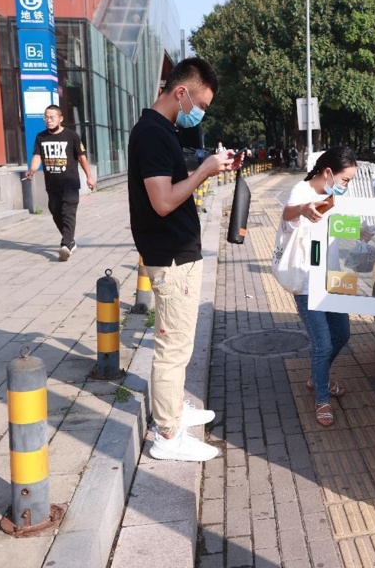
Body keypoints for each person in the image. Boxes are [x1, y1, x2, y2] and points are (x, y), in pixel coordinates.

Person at [128, 57, 243, 462]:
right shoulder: (153, 134)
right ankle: (167, 435)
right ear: (181, 93)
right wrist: (205, 171)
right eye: (201, 105)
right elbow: (161, 201)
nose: (200, 113)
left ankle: (173, 409)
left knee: (180, 344)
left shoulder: (163, 130)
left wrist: (207, 166)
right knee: (173, 349)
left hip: (177, 253)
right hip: (171, 257)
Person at [279, 146, 358, 427]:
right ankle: (322, 397)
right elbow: (288, 215)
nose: (347, 185)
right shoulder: (302, 193)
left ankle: (318, 375)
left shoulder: (332, 196)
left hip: (331, 280)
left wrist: (362, 231)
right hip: (306, 284)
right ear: (328, 173)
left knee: (342, 334)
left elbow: (338, 228)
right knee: (322, 343)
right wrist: (303, 209)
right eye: (345, 179)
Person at [25, 105, 96, 262]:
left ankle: (65, 245)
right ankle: (70, 240)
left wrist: (89, 177)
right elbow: (37, 156)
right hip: (52, 184)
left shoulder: (71, 136)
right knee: (55, 211)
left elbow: (81, 157)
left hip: (70, 182)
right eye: (46, 117)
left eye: (52, 117)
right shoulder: (41, 137)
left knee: (68, 212)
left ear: (60, 118)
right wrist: (32, 170)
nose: (48, 120)